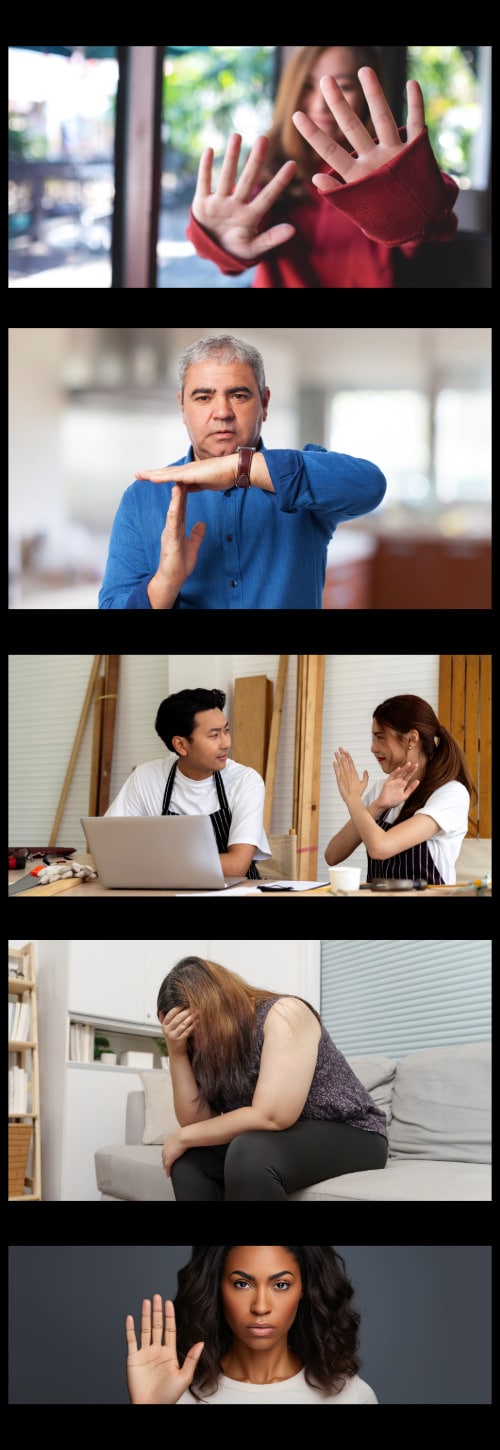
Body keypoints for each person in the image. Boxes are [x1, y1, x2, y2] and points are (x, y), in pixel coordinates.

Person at [98, 333, 386, 609]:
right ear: (182, 407)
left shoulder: (304, 481)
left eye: (238, 395)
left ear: (264, 403)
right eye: (202, 397)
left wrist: (241, 467)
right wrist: (165, 584)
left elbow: (371, 486)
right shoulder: (142, 498)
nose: (222, 412)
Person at [187, 46, 458, 289]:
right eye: (307, 86)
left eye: (343, 87)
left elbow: (439, 224)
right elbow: (237, 239)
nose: (321, 105)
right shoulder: (269, 168)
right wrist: (219, 240)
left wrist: (403, 204)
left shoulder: (399, 168)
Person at [153, 955, 388, 1201]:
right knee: (189, 1161)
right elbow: (195, 1123)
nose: (197, 1043)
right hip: (282, 1137)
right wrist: (177, 1051)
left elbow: (273, 1115)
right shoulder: (199, 1049)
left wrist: (181, 1137)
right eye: (187, 1036)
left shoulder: (285, 1013)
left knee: (249, 1152)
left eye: (198, 1030)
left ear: (219, 1005)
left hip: (354, 1133)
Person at [126, 1245, 379, 1405]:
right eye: (242, 1284)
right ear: (218, 1288)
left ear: (304, 1289)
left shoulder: (350, 1397)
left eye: (280, 1285)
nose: (260, 1306)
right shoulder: (176, 1396)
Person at [105, 687, 270, 880]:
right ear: (181, 745)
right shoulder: (146, 777)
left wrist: (151, 863)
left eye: (226, 731)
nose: (226, 743)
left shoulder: (245, 781)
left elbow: (236, 867)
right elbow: (110, 850)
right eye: (214, 735)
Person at [325, 693, 477, 885]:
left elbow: (380, 847)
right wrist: (377, 806)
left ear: (411, 739)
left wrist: (353, 799)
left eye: (380, 737)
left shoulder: (450, 794)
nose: (373, 748)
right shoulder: (382, 789)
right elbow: (332, 854)